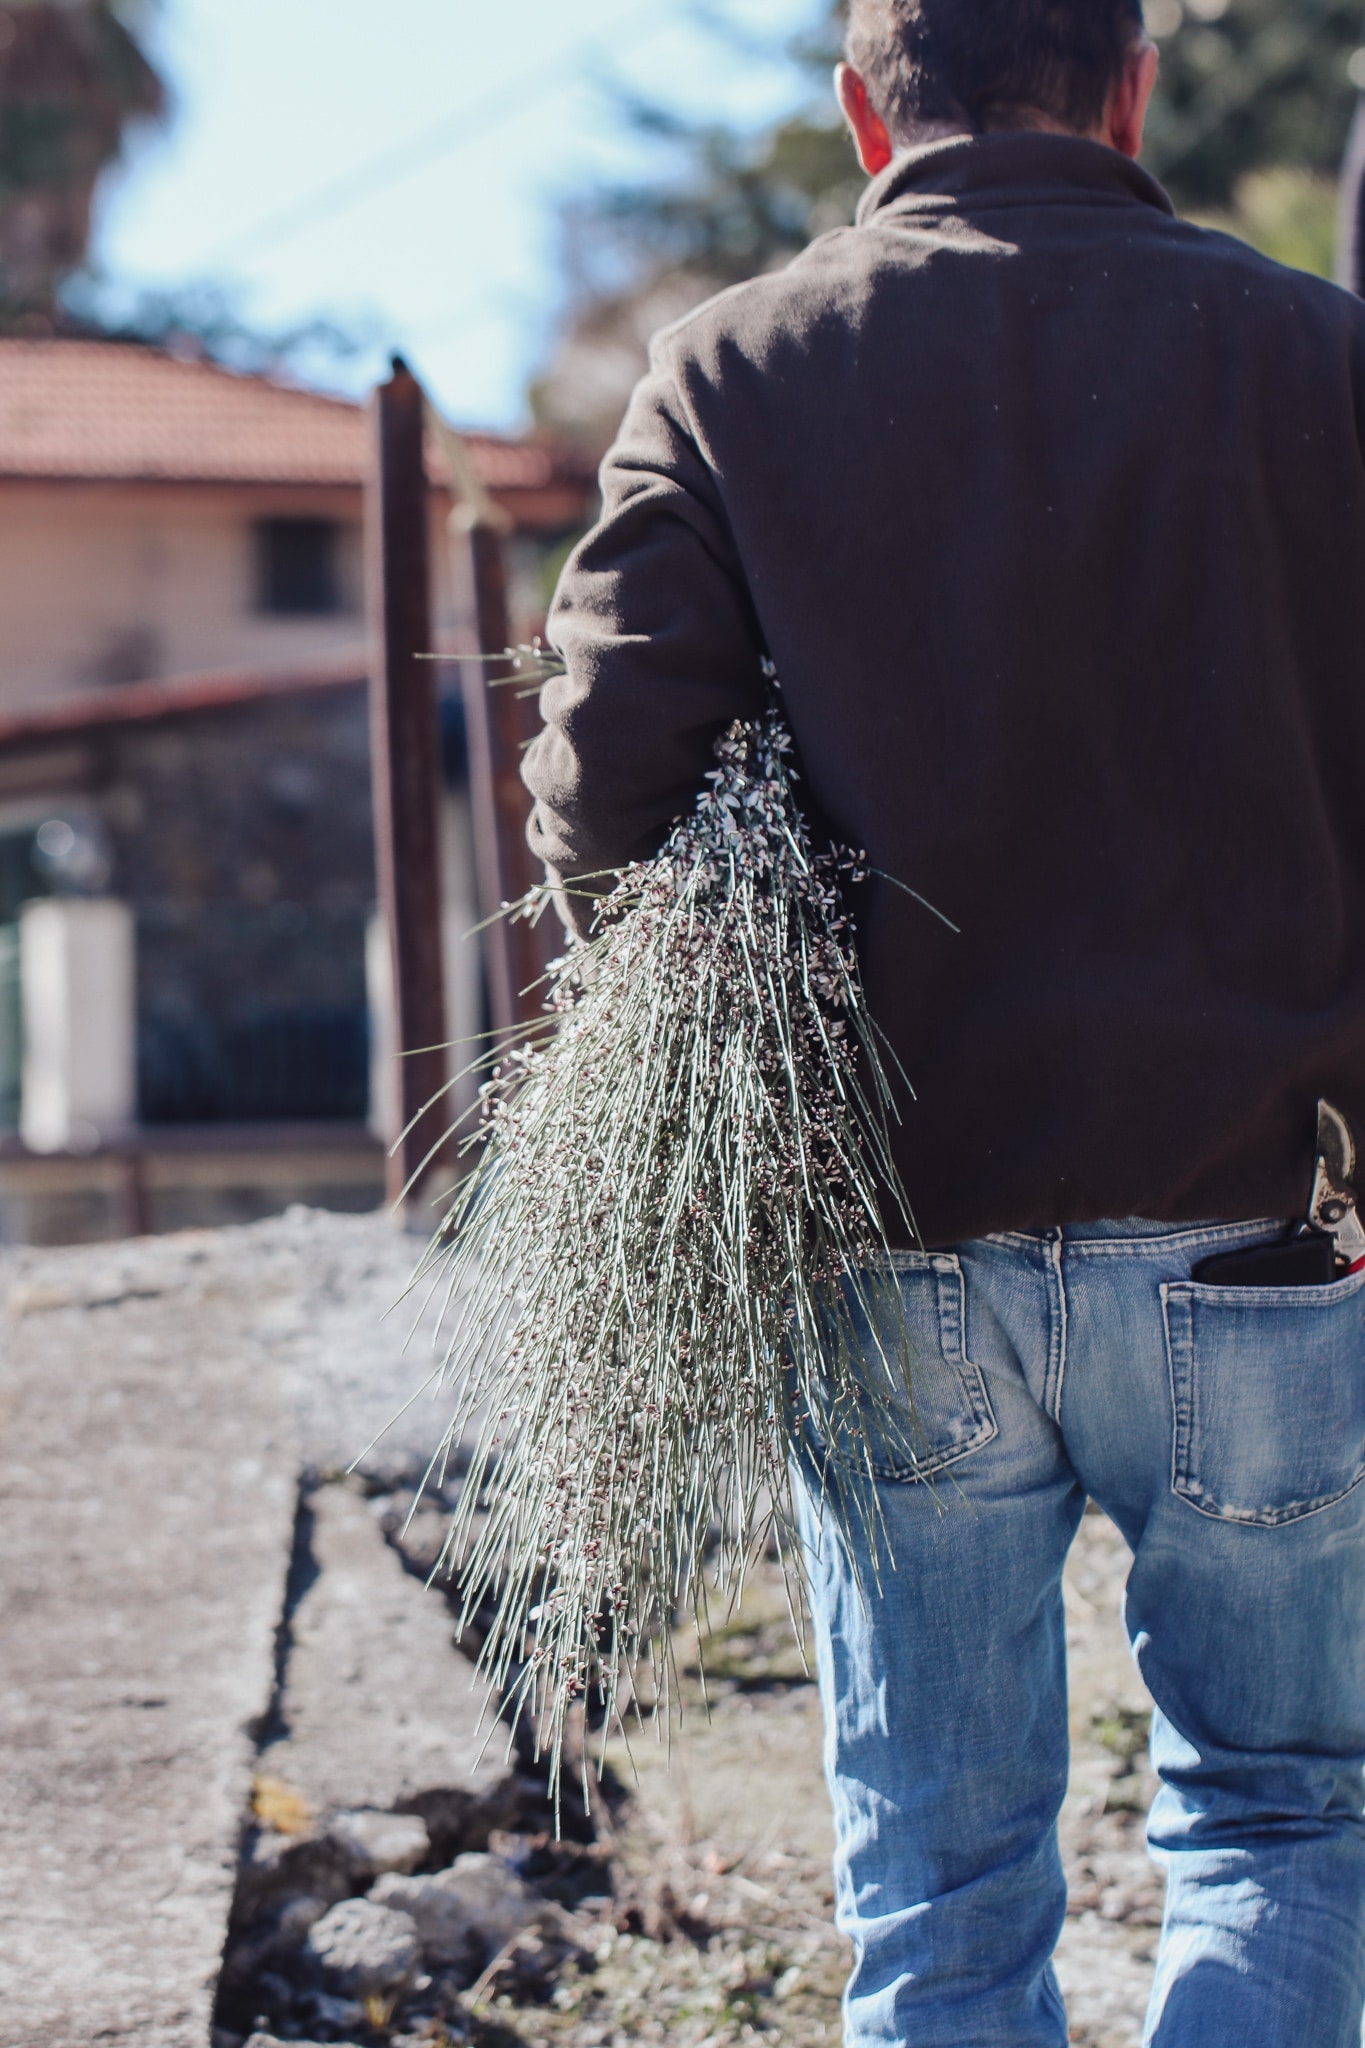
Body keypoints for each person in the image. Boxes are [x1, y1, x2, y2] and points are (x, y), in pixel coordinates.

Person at [522, 3, 1365, 2040]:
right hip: (1247, 1224)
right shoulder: (1315, 356)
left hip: (886, 1243)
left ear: (855, 105)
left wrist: (749, 1065)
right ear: (1131, 88)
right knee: (1274, 1818)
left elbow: (598, 798)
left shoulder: (727, 371)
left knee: (937, 1873)